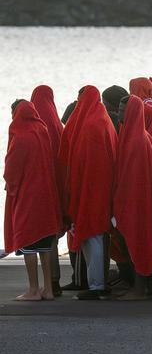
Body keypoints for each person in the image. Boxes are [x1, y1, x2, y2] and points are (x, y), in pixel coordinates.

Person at [58, 86, 117, 300]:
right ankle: (98, 283)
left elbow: (83, 163)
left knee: (91, 236)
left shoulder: (91, 125)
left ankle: (96, 285)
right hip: (101, 189)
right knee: (98, 236)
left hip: (91, 190)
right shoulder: (103, 120)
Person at [4, 100, 63, 301]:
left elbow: (12, 168)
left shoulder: (20, 135)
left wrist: (10, 186)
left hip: (28, 194)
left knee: (28, 241)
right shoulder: (42, 130)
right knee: (45, 242)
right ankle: (48, 288)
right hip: (46, 193)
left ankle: (33, 289)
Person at [113, 96, 152, 300]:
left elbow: (134, 178)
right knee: (140, 242)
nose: (119, 114)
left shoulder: (137, 141)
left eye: (123, 110)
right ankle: (145, 286)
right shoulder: (137, 135)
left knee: (138, 242)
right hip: (138, 200)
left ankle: (140, 289)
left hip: (136, 202)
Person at [29, 85, 64, 296]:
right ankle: (55, 282)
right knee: (53, 234)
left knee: (42, 234)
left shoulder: (35, 125)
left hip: (40, 187)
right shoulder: (57, 124)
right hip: (58, 186)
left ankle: (49, 282)